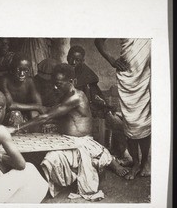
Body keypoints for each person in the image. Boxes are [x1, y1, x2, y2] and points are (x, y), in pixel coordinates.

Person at [12, 64, 129, 198]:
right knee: (41, 151)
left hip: (79, 142)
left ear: (72, 82)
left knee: (51, 159)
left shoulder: (76, 97)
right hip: (65, 138)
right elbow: (52, 113)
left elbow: (46, 116)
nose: (55, 87)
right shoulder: (64, 94)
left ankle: (51, 186)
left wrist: (18, 128)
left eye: (59, 84)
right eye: (54, 84)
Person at [95, 38, 151, 180]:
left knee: (144, 123)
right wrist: (112, 60)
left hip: (146, 73)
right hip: (128, 78)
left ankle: (145, 162)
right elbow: (98, 41)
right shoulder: (119, 17)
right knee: (130, 123)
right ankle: (136, 164)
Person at [0, 52, 44, 129]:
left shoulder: (30, 81)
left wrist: (36, 108)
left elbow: (39, 104)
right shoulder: (5, 80)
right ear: (13, 68)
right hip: (9, 115)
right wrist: (36, 107)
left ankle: (32, 136)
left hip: (25, 114)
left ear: (29, 70)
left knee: (34, 114)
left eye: (25, 70)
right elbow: (10, 105)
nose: (22, 73)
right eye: (18, 69)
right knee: (15, 114)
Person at [67, 45, 112, 118]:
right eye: (71, 58)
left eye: (77, 60)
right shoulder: (64, 71)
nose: (73, 62)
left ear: (82, 61)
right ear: (67, 58)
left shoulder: (88, 76)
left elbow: (91, 99)